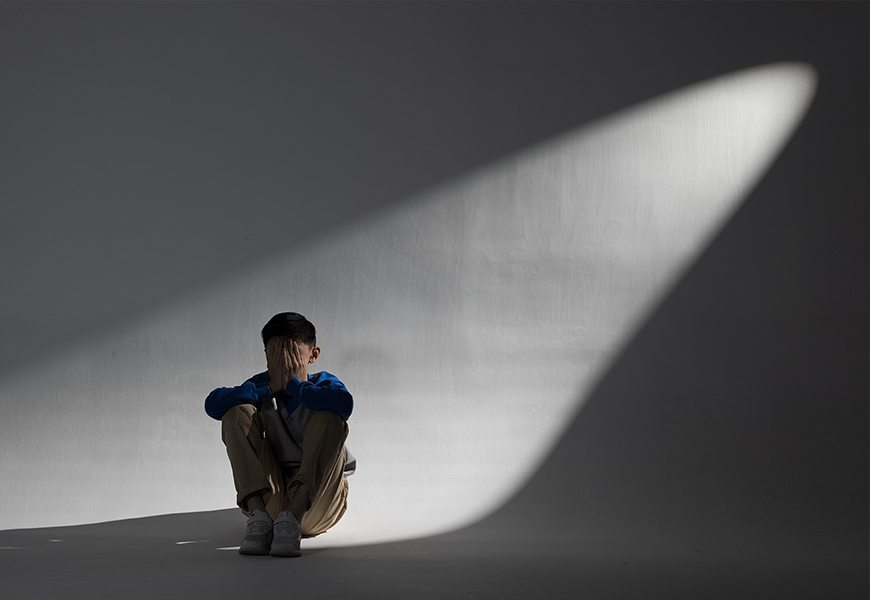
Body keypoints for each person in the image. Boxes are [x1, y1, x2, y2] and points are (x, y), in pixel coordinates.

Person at [204, 312, 355, 557]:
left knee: (331, 417)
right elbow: (213, 406)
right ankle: (258, 516)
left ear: (313, 355)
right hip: (271, 505)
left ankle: (293, 516)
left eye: (294, 354)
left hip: (318, 503)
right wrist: (270, 388)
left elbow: (345, 405)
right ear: (267, 357)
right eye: (277, 355)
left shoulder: (324, 384)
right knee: (236, 413)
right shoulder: (260, 387)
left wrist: (296, 386)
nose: (285, 363)